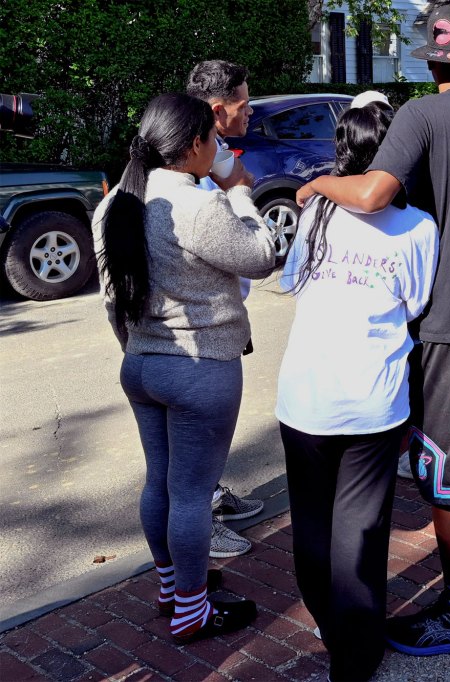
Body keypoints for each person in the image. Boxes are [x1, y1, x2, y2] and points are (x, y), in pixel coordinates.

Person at [295, 2, 450, 656]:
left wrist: (321, 184)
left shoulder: (420, 114)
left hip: (449, 327)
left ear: (430, 59)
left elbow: (376, 193)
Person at [92, 92, 276, 643]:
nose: (218, 149)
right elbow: (261, 256)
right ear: (194, 144)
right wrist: (242, 195)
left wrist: (136, 346)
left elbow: (111, 299)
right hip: (201, 369)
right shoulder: (200, 205)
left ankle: (173, 586)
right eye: (214, 141)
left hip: (142, 364)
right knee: (192, 495)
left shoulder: (114, 205)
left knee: (162, 484)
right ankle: (193, 609)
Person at [277, 103, 438, 681]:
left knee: (313, 524)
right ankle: (356, 654)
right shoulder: (419, 226)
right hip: (375, 399)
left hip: (305, 397)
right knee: (361, 532)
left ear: (343, 153)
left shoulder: (318, 210)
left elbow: (292, 279)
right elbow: (417, 303)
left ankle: (329, 623)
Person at [185, 59, 264, 559]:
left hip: (218, 316)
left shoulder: (207, 153)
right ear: (218, 110)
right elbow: (244, 188)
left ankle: (209, 495)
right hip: (194, 330)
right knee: (191, 436)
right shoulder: (189, 166)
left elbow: (243, 177)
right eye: (244, 101)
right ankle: (198, 525)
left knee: (207, 434)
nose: (251, 110)